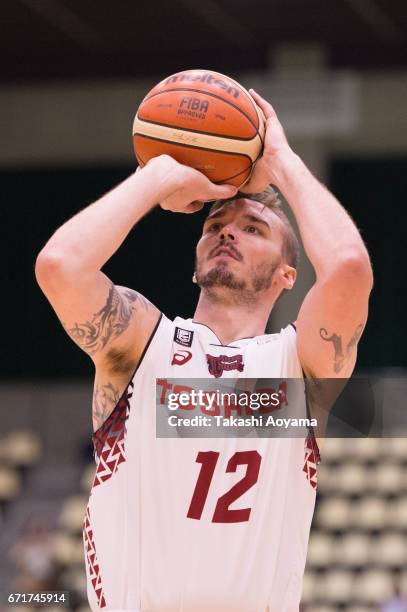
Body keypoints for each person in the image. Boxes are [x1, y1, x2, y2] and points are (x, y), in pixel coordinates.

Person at [35, 89, 373, 612]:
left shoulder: (297, 367)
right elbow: (60, 265)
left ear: (289, 276)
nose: (227, 233)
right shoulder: (141, 343)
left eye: (252, 229)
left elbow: (349, 267)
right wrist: (160, 175)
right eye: (215, 225)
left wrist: (280, 159)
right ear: (195, 258)